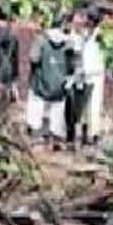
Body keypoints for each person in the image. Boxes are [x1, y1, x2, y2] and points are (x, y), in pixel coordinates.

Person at [28, 16, 72, 145]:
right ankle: (56, 135)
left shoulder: (41, 40)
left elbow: (34, 58)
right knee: (58, 107)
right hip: (59, 85)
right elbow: (72, 64)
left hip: (42, 82)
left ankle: (36, 132)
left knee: (36, 103)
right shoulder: (68, 42)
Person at [77, 7, 107, 146]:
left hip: (91, 72)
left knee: (89, 103)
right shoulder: (92, 34)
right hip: (90, 72)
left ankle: (90, 133)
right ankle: (89, 133)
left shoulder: (99, 35)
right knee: (90, 104)